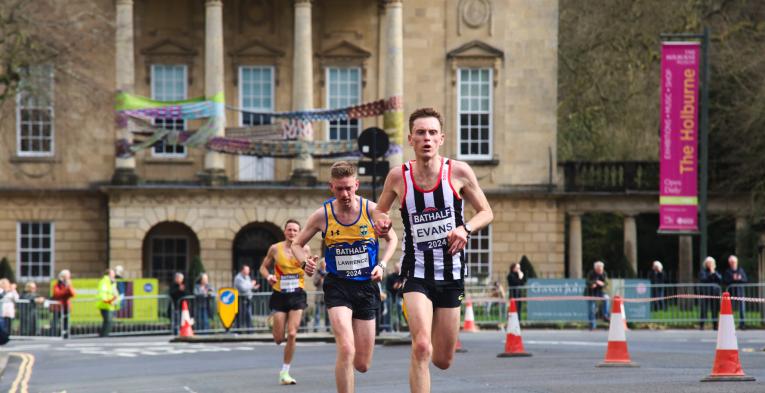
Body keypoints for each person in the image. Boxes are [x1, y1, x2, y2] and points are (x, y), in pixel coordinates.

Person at [372, 107, 494, 393]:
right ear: (410, 139)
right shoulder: (397, 177)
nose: (426, 138)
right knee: (422, 346)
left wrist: (465, 229)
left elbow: (486, 212)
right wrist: (382, 223)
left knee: (443, 359)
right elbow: (378, 212)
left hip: (451, 275)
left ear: (441, 138)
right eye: (420, 133)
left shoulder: (459, 172)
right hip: (415, 272)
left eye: (432, 133)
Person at [293, 161, 398, 393]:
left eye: (349, 188)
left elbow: (393, 239)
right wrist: (304, 262)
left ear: (357, 185)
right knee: (346, 349)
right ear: (331, 187)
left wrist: (382, 264)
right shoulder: (323, 215)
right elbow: (297, 244)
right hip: (338, 286)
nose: (345, 194)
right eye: (339, 189)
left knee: (362, 364)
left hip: (366, 286)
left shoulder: (372, 210)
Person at [259, 219, 312, 385]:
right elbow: (263, 267)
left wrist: (311, 265)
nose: (292, 233)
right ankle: (276, 325)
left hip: (297, 294)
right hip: (279, 294)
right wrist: (269, 276)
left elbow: (309, 272)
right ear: (285, 232)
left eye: (295, 230)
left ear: (300, 232)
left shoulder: (305, 248)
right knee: (278, 338)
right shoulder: (275, 248)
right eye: (289, 230)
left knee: (293, 333)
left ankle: (285, 372)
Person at [722, 255, 748, 329]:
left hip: (740, 292)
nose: (733, 263)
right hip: (731, 293)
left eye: (734, 262)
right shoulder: (728, 271)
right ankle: (730, 325)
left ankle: (742, 324)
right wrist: (733, 279)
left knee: (742, 309)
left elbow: (745, 279)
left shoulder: (741, 270)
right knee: (730, 310)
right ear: (729, 263)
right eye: (731, 262)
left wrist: (739, 279)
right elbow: (726, 281)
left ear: (737, 262)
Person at [585, 261, 610, 330]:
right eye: (599, 269)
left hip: (600, 292)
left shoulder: (604, 273)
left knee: (606, 298)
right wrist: (594, 283)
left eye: (601, 269)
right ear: (595, 269)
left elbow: (606, 283)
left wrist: (603, 284)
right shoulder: (591, 273)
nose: (600, 271)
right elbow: (587, 282)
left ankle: (605, 315)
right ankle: (592, 325)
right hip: (591, 293)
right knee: (592, 309)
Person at [51, 269, 76, 338]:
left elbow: (73, 294)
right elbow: (57, 294)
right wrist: (66, 290)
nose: (69, 278)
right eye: (67, 276)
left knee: (66, 321)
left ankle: (66, 334)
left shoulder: (68, 285)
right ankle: (53, 334)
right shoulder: (57, 284)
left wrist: (69, 286)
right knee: (55, 321)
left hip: (66, 306)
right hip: (58, 306)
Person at [699, 256, 722, 330]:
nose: (710, 264)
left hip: (714, 293)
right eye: (708, 263)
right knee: (704, 309)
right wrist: (711, 274)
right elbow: (703, 279)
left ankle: (715, 325)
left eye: (711, 263)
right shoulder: (703, 271)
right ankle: (701, 325)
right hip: (705, 293)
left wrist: (713, 273)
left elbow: (720, 279)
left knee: (714, 309)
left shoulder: (716, 272)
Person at [234, 265, 258, 330]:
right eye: (247, 270)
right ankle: (238, 329)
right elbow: (243, 288)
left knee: (248, 314)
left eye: (249, 270)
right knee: (240, 315)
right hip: (241, 299)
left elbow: (248, 286)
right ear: (242, 270)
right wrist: (251, 284)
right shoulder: (238, 278)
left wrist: (254, 287)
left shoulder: (247, 277)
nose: (249, 271)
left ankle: (249, 330)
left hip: (248, 299)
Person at [97, 269, 120, 337]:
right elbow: (102, 292)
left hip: (111, 305)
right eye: (112, 274)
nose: (114, 275)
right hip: (105, 304)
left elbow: (115, 293)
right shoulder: (104, 281)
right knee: (108, 321)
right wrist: (107, 301)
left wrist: (116, 301)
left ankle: (104, 335)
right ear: (108, 274)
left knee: (108, 321)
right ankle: (103, 335)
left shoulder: (112, 282)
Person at [311, 259, 329, 332]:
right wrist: (319, 279)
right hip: (319, 295)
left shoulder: (328, 272)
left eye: (325, 263)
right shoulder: (318, 272)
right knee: (317, 312)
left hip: (327, 295)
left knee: (327, 313)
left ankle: (328, 327)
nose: (324, 264)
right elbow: (314, 282)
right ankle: (316, 327)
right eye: (323, 263)